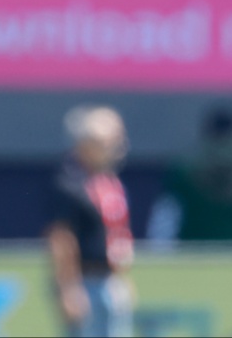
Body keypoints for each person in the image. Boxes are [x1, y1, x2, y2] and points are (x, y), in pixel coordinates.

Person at [46, 105, 135, 338]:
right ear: (87, 146)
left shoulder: (107, 182)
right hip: (84, 283)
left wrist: (121, 278)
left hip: (108, 280)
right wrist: (68, 288)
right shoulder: (69, 183)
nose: (119, 148)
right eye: (110, 143)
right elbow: (61, 239)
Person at [145, 107, 232, 245]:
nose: (222, 152)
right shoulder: (181, 178)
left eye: (228, 144)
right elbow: (162, 232)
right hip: (188, 258)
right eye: (218, 142)